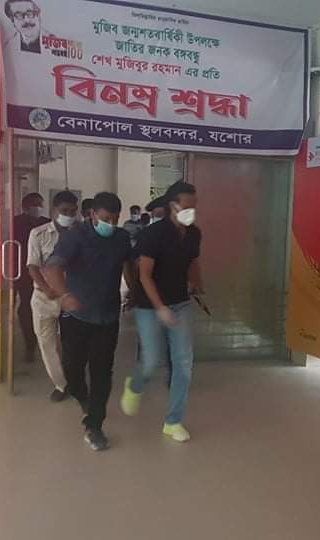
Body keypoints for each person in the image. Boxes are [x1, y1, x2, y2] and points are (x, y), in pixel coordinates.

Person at [45, 192, 135, 451]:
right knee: (72, 368)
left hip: (107, 317)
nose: (111, 224)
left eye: (115, 219)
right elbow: (53, 267)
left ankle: (94, 425)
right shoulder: (76, 236)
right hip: (76, 316)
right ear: (93, 214)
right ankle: (81, 396)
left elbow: (128, 263)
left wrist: (134, 289)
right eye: (106, 218)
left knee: (102, 372)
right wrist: (65, 295)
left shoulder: (121, 238)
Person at [121, 181, 203, 443]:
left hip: (181, 302)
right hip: (149, 305)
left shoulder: (194, 233)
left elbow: (192, 261)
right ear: (173, 206)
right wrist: (160, 307)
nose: (191, 211)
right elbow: (144, 275)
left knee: (183, 364)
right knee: (152, 360)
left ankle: (173, 421)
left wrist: (196, 283)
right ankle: (135, 385)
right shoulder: (153, 234)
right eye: (187, 206)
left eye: (194, 206)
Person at [27, 190, 78, 402]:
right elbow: (33, 266)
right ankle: (61, 384)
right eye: (64, 211)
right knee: (47, 344)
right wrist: (47, 288)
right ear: (53, 210)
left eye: (72, 211)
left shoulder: (80, 234)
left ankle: (75, 381)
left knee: (72, 344)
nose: (69, 215)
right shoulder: (38, 233)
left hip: (70, 298)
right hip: (44, 297)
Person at [14, 193, 50, 362]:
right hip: (20, 272)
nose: (38, 208)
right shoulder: (15, 223)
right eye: (35, 204)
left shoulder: (46, 223)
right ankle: (30, 345)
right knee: (25, 308)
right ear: (25, 207)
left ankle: (37, 343)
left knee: (39, 309)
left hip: (42, 272)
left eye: (40, 204)